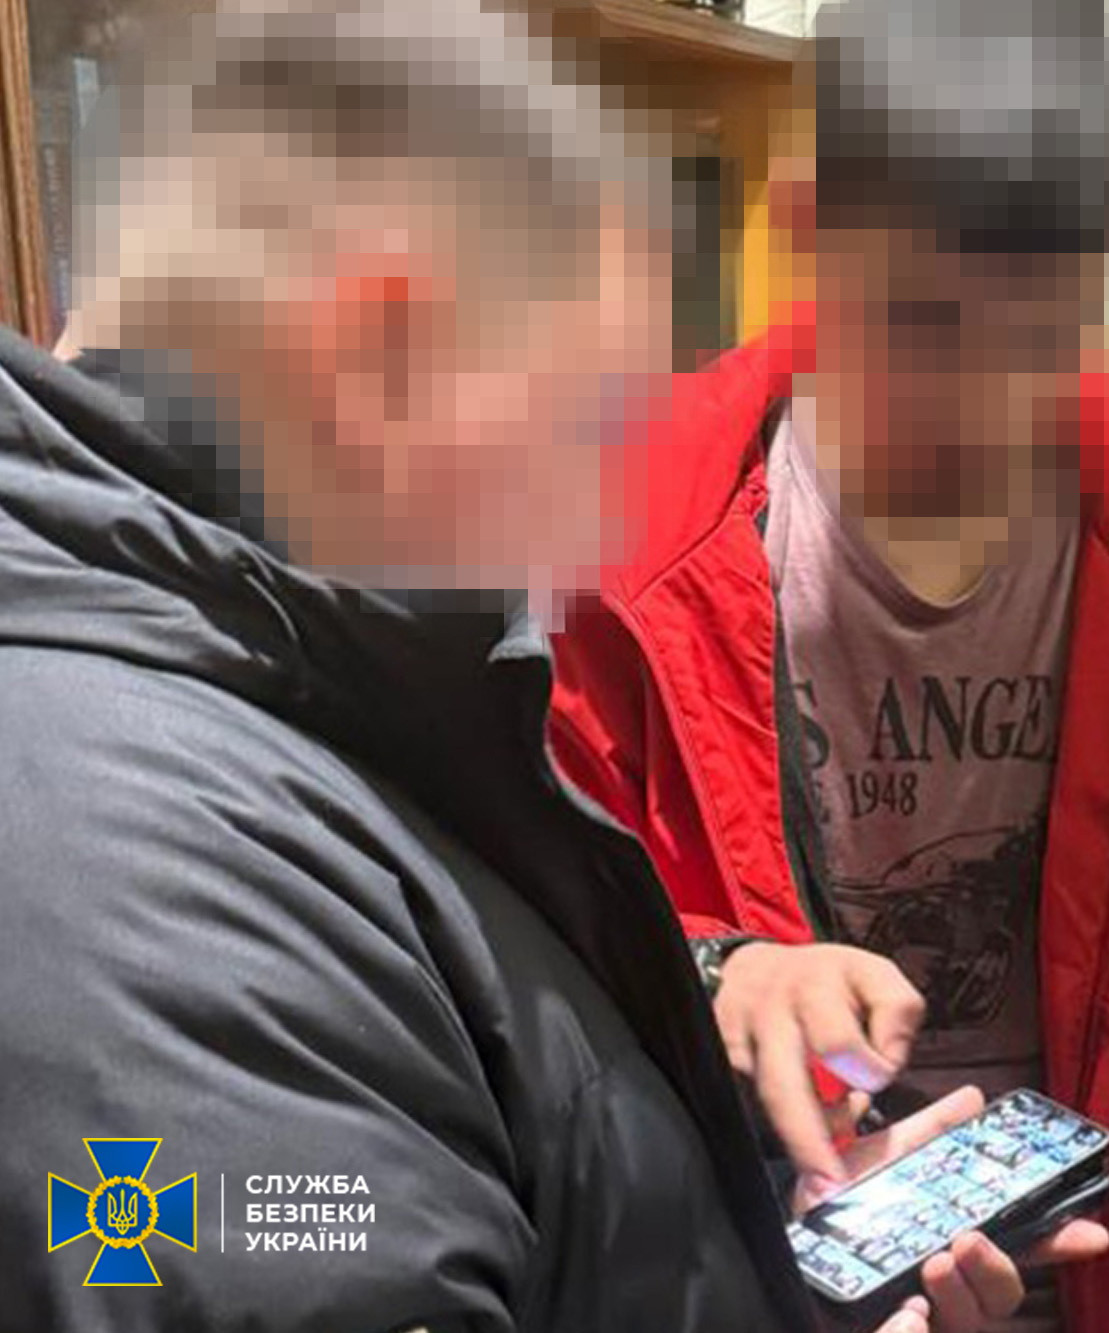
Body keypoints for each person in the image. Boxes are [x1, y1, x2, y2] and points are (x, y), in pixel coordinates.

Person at [0, 2, 1044, 1330]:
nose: (596, 526)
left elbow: (478, 1084)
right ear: (382, 342)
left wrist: (720, 1004)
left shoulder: (298, 678)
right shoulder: (145, 901)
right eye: (584, 428)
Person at [550, 0, 1109, 1328]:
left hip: (1088, 1282)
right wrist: (722, 971)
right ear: (807, 232)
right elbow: (522, 957)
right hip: (735, 1283)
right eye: (921, 322)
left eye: (1042, 336)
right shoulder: (614, 549)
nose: (982, 400)